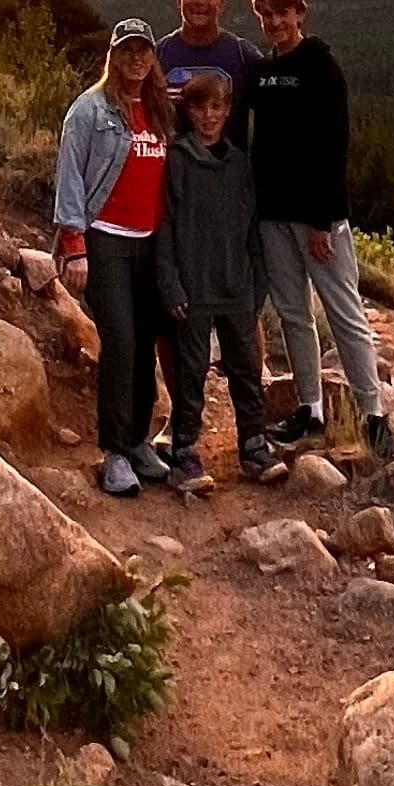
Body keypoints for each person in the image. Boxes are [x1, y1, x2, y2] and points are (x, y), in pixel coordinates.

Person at [246, 0, 394, 463]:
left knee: (344, 313)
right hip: (273, 215)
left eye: (281, 13)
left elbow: (334, 149)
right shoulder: (265, 70)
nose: (274, 23)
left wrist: (321, 221)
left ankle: (373, 416)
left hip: (318, 219)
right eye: (266, 16)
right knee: (293, 313)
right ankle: (310, 409)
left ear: (299, 14)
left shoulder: (321, 67)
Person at [53, 17, 174, 496]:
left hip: (150, 243)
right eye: (127, 50)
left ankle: (138, 440)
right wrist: (74, 246)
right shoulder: (89, 110)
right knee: (120, 343)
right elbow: (71, 179)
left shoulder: (160, 109)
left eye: (143, 50)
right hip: (106, 242)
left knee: (145, 344)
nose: (136, 59)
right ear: (113, 55)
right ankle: (114, 452)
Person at [151, 65, 285, 492]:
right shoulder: (176, 161)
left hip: (236, 289)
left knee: (245, 369)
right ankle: (185, 452)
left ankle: (254, 445)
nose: (208, 116)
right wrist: (170, 285)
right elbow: (165, 227)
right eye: (199, 108)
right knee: (190, 374)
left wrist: (256, 288)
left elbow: (251, 233)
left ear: (228, 111)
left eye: (216, 107)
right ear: (187, 112)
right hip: (193, 292)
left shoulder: (239, 166)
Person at [155, 0, 259, 128]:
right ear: (178, 0)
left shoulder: (244, 55)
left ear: (221, 4)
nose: (200, 2)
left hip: (230, 153)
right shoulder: (157, 55)